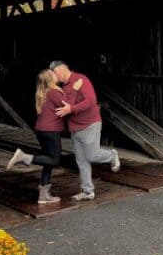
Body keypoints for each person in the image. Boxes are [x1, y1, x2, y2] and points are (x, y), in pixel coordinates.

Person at [50, 60, 120, 201]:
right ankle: (88, 191)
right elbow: (67, 105)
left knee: (92, 156)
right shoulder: (64, 86)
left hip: (89, 124)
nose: (55, 77)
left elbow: (90, 101)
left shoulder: (81, 79)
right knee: (81, 161)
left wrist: (71, 109)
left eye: (55, 73)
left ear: (62, 68)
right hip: (75, 128)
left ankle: (112, 156)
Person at [6, 69, 64, 204]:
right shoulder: (54, 93)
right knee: (54, 160)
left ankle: (43, 196)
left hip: (41, 130)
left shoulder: (43, 93)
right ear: (50, 79)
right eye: (54, 74)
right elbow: (68, 106)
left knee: (47, 160)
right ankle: (24, 157)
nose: (56, 74)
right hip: (50, 130)